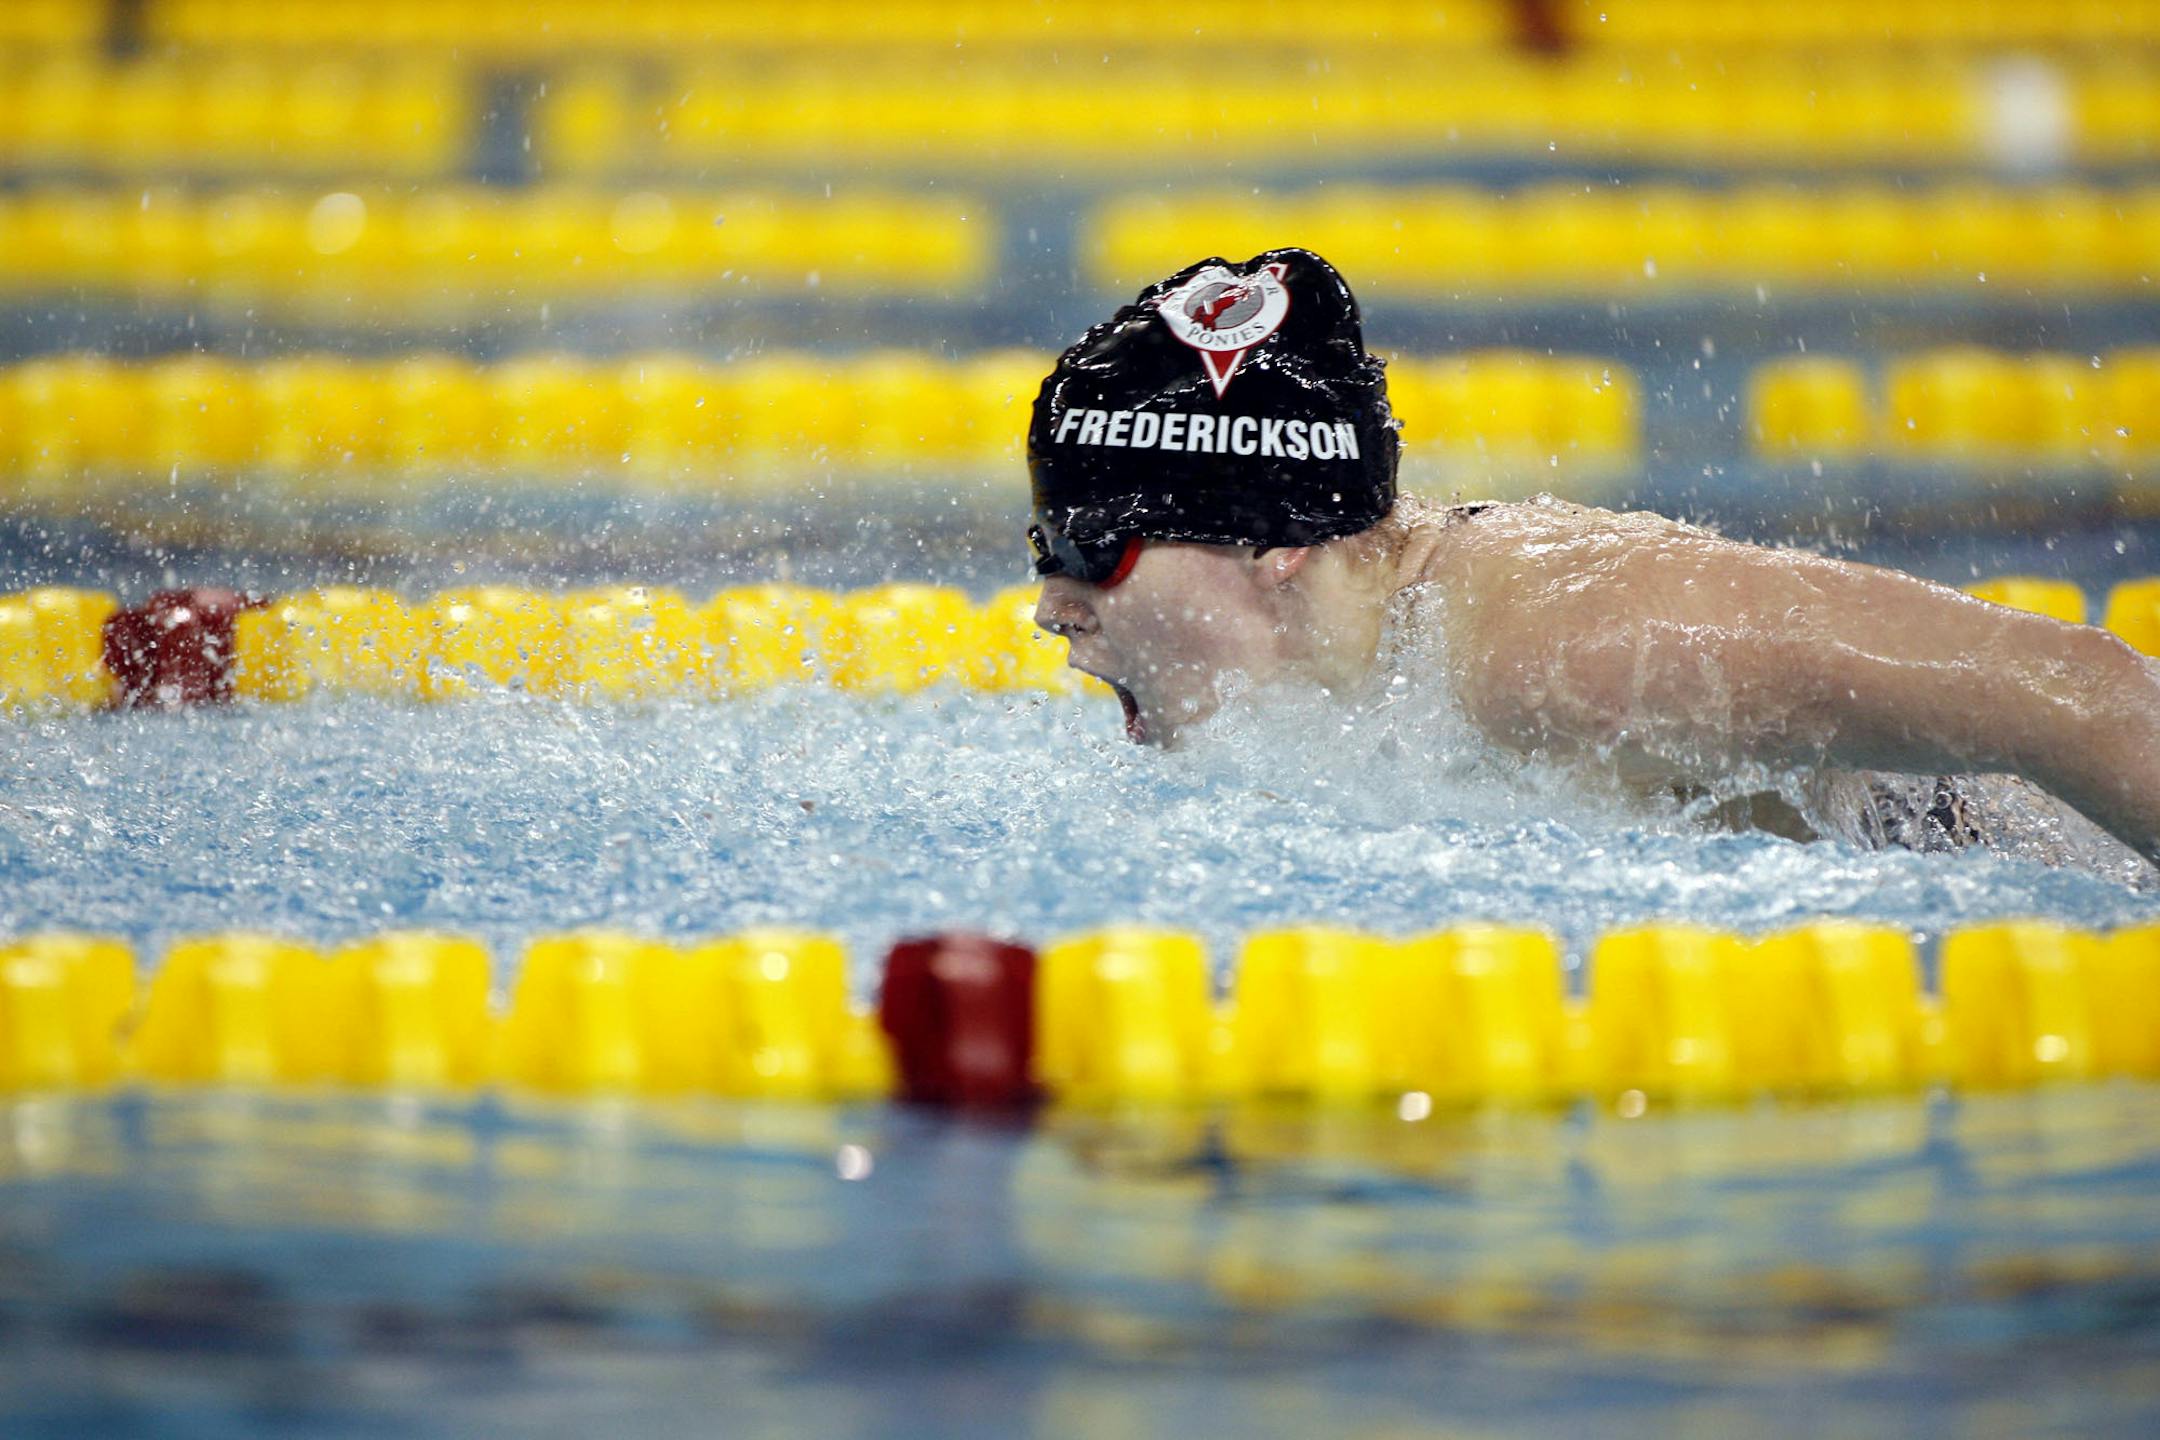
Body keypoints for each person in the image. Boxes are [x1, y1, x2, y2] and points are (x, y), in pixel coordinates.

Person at [1026, 248, 2160, 866]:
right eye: (1046, 545)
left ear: (1275, 541)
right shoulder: (1368, 664)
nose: (1050, 606)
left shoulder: (1561, 647)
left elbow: (2080, 687)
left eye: (1091, 547)